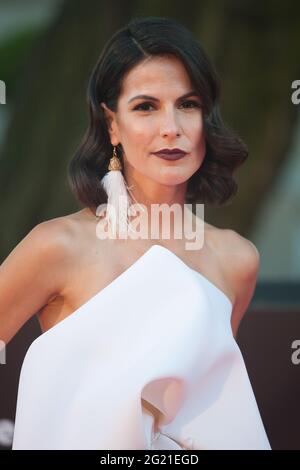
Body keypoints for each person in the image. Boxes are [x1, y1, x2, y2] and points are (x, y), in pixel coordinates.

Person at [0, 16, 271, 449]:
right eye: (146, 106)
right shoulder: (58, 246)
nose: (171, 128)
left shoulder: (237, 260)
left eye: (188, 104)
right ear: (111, 124)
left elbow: (205, 407)